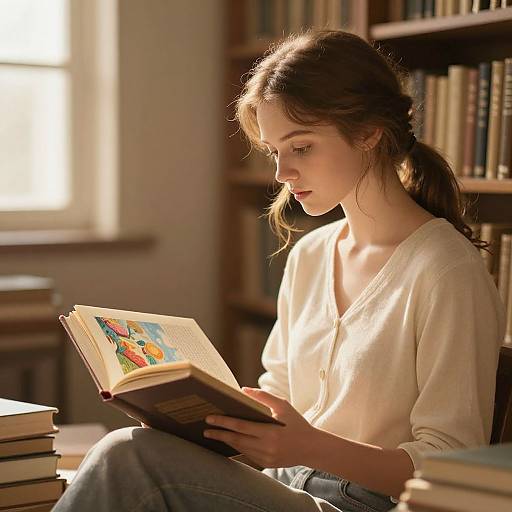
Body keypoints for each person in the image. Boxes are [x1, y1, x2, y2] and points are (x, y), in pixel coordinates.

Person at [53, 30, 505, 512]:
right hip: (284, 488)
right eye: (274, 151)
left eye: (302, 147)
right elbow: (278, 397)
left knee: (127, 460)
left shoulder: (445, 270)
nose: (281, 173)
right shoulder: (311, 254)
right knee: (129, 455)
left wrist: (309, 447)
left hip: (368, 506)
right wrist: (191, 422)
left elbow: (450, 466)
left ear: (370, 132)